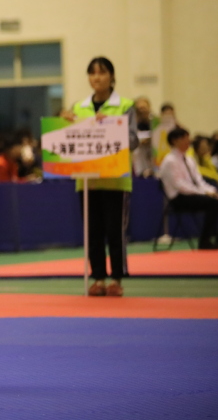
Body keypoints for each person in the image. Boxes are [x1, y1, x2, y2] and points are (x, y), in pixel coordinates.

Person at [63, 56, 138, 297]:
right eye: (92, 73)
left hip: (116, 181)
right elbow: (67, 140)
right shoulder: (78, 107)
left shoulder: (125, 106)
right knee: (92, 233)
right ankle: (98, 278)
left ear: (112, 76)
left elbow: (134, 140)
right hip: (87, 181)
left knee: (115, 232)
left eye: (102, 72)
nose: (97, 78)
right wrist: (64, 125)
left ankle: (116, 278)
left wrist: (111, 127)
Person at [160, 127, 218, 249]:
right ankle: (204, 241)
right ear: (175, 141)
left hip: (194, 194)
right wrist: (204, 193)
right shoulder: (169, 161)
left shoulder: (189, 159)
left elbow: (198, 181)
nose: (188, 141)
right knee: (213, 203)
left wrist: (212, 191)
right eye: (184, 138)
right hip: (179, 198)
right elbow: (180, 185)